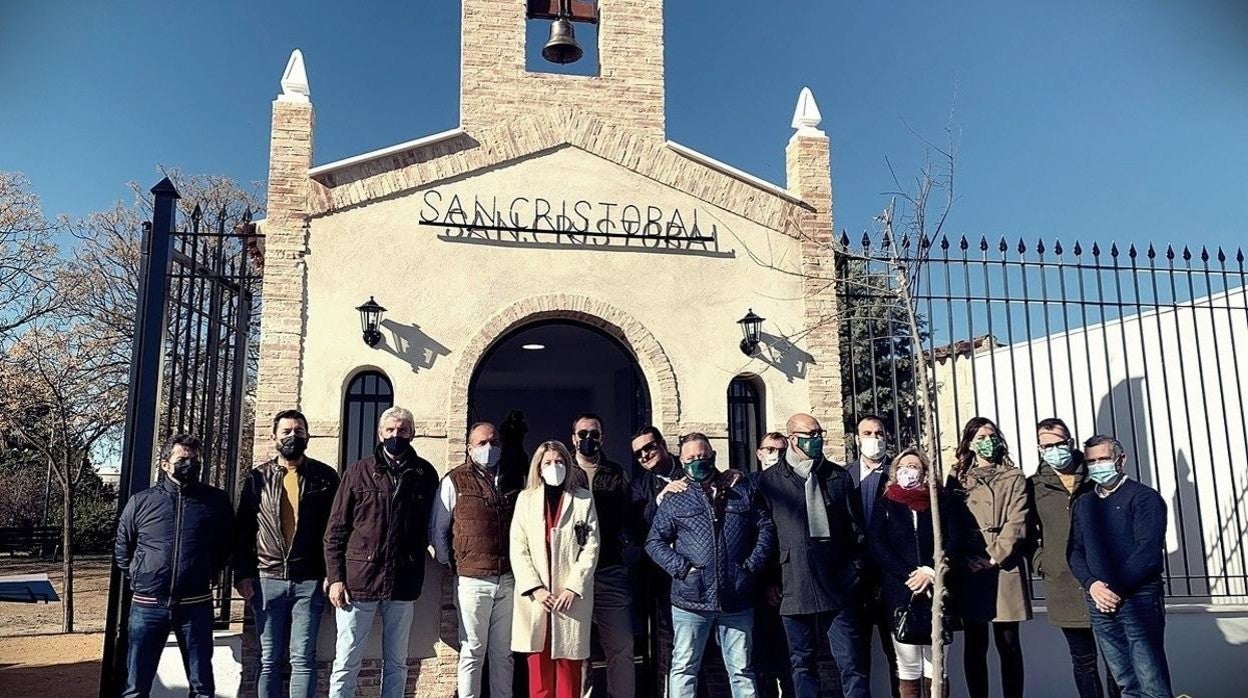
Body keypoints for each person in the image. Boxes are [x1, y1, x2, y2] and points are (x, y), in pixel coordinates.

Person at [646, 432, 776, 698]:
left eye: (702, 456)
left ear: (713, 456)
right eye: (691, 458)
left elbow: (764, 527)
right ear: (682, 462)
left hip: (736, 597)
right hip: (690, 600)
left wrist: (751, 566)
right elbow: (654, 542)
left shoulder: (741, 490)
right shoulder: (675, 498)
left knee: (741, 670)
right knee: (684, 668)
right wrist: (683, 569)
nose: (698, 462)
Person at [324, 406, 439, 698]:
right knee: (347, 661)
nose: (396, 435)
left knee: (397, 662)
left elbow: (433, 524)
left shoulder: (424, 474)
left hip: (403, 581)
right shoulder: (357, 472)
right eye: (390, 430)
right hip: (358, 581)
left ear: (412, 433)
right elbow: (336, 530)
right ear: (379, 433)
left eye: (402, 430)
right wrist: (336, 578)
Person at [755, 413, 870, 698]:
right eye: (811, 434)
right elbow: (764, 535)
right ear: (793, 438)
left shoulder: (837, 476)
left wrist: (855, 571)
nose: (818, 439)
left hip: (839, 584)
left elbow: (857, 530)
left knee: (851, 662)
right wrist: (769, 580)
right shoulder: (769, 482)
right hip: (793, 582)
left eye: (820, 433)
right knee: (801, 664)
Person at [114, 434, 233, 698]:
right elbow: (123, 546)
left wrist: (207, 572)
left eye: (194, 459)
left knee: (202, 686)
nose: (189, 464)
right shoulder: (141, 501)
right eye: (182, 459)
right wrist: (137, 575)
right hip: (147, 606)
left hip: (196, 605)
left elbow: (226, 545)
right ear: (165, 464)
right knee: (136, 686)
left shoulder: (215, 501)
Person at [233, 410, 340, 698]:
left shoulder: (325, 477)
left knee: (303, 659)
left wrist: (333, 574)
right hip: (266, 581)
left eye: (299, 431)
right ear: (274, 436)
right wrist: (242, 574)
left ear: (307, 435)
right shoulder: (257, 478)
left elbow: (335, 530)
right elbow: (243, 529)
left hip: (310, 582)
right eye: (287, 431)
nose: (293, 436)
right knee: (268, 661)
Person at [1068, 435, 1172, 697]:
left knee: (1151, 681)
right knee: (1125, 681)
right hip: (1099, 601)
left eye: (1103, 458)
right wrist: (1092, 586)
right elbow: (1074, 551)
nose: (1097, 465)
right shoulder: (1083, 504)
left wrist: (1112, 590)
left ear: (1120, 459)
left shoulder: (1145, 498)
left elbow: (1147, 552)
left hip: (1138, 598)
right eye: (1092, 461)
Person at [1026, 418, 1120, 698]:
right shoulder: (1035, 485)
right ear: (1040, 448)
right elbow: (1028, 532)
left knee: (1114, 658)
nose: (1056, 449)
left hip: (1104, 581)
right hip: (1063, 582)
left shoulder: (1095, 476)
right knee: (1083, 661)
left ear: (1071, 441)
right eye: (1048, 445)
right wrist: (1043, 562)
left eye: (1060, 443)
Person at [431, 421, 524, 698]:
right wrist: (452, 563)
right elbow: (439, 528)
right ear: (470, 448)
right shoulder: (454, 480)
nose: (489, 448)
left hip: (507, 579)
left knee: (503, 654)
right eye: (482, 443)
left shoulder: (513, 479)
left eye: (494, 442)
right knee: (472, 650)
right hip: (472, 579)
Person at [946, 417, 1030, 698]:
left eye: (991, 435)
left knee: (1009, 644)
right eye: (980, 437)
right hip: (970, 566)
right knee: (975, 643)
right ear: (969, 443)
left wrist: (995, 556)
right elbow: (951, 522)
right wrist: (963, 558)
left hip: (1003, 565)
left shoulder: (1014, 476)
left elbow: (1018, 519)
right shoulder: (957, 478)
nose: (987, 442)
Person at [510, 440, 602, 698]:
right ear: (538, 467)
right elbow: (518, 547)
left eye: (559, 462)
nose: (555, 467)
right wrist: (536, 589)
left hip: (569, 599)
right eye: (548, 462)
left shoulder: (583, 499)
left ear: (568, 464)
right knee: (538, 672)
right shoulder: (525, 500)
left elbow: (591, 547)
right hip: (538, 600)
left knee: (568, 671)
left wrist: (574, 588)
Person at [869, 448, 956, 698]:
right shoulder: (886, 503)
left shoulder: (941, 502)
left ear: (925, 471)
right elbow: (877, 544)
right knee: (907, 667)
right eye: (904, 466)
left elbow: (954, 539)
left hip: (936, 591)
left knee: (935, 665)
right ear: (895, 472)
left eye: (915, 466)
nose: (909, 471)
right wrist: (909, 573)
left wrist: (931, 570)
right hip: (901, 592)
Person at [567, 413, 636, 698]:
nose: (588, 439)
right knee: (575, 649)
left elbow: (630, 516)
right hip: (571, 574)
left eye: (593, 434)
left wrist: (630, 551)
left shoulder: (616, 473)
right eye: (582, 434)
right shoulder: (563, 473)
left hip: (609, 570)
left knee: (621, 646)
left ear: (602, 438)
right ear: (573, 438)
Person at [628, 426, 686, 694]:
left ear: (662, 444)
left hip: (698, 572)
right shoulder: (640, 486)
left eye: (649, 448)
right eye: (639, 453)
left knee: (703, 646)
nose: (644, 455)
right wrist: (661, 499)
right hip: (660, 576)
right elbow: (637, 527)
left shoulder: (689, 469)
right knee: (670, 640)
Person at [848, 414, 901, 698]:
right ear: (857, 439)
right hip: (856, 581)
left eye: (879, 433)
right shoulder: (844, 476)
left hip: (892, 578)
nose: (874, 439)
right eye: (867, 433)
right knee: (857, 656)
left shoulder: (899, 475)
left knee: (898, 656)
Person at [749, 432, 794, 698]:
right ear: (759, 453)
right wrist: (765, 580)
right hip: (757, 585)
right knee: (760, 662)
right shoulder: (747, 486)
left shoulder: (794, 484)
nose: (774, 454)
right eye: (770, 449)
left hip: (789, 583)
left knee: (790, 662)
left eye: (780, 449)